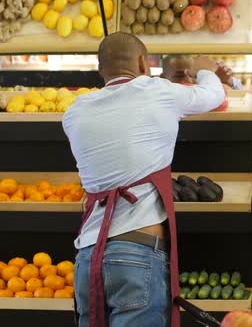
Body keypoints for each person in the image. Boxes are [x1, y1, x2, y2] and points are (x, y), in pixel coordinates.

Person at [63, 32, 224, 327]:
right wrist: (205, 69)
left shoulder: (75, 112)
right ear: (142, 63)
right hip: (137, 254)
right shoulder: (158, 92)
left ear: (101, 70)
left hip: (87, 257)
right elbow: (215, 96)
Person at [161, 54, 243, 90]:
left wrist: (227, 81)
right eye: (179, 76)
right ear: (163, 78)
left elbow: (242, 94)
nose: (189, 80)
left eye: (193, 75)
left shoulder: (199, 91)